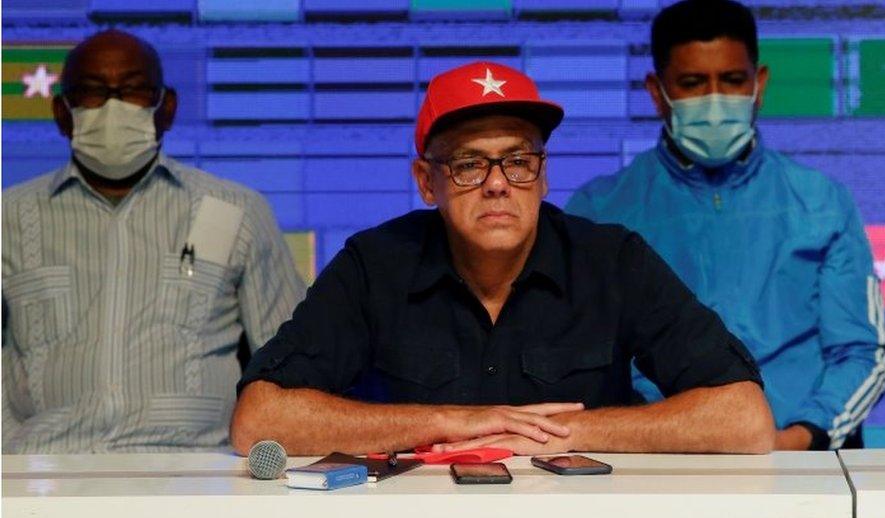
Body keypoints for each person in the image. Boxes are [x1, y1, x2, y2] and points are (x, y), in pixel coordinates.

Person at [230, 60, 775, 457]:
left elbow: (744, 419)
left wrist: (557, 434)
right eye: (469, 164)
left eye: (518, 160)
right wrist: (452, 422)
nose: (497, 185)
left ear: (543, 174)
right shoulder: (374, 265)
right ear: (427, 182)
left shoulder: (612, 259)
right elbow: (260, 419)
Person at [566, 0, 885, 451]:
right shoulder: (598, 211)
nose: (715, 101)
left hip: (802, 465)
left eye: (732, 80)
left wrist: (797, 439)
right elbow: (583, 363)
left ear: (758, 84)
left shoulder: (822, 201)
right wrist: (657, 433)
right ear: (656, 91)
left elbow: (863, 352)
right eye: (692, 84)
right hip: (658, 471)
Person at [1, 30, 305, 453]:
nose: (113, 107)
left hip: (198, 477)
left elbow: (292, 371)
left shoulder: (232, 211)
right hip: (44, 477)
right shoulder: (9, 219)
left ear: (167, 108)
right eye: (91, 93)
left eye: (135, 91)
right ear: (61, 112)